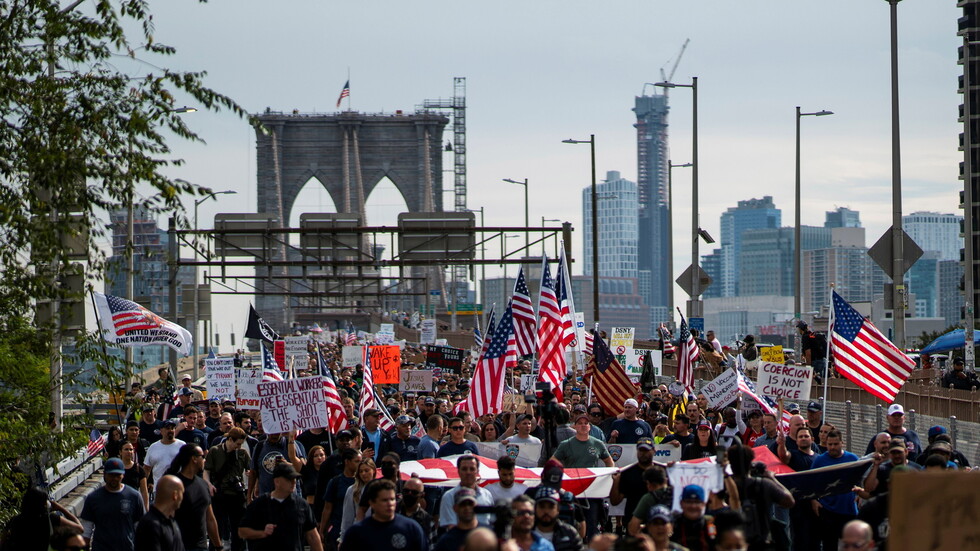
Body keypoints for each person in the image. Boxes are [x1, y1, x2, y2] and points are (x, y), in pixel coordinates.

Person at [239, 462, 323, 551]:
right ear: (277, 481)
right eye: (289, 479)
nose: (293, 482)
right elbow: (242, 531)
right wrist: (262, 533)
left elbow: (312, 536)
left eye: (294, 479)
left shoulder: (302, 505)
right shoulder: (259, 504)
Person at [340, 479, 427, 551]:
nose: (389, 504)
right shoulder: (356, 533)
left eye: (392, 499)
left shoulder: (411, 529)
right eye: (384, 500)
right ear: (372, 503)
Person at [80, 457, 145, 551]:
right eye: (111, 475)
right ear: (105, 474)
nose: (114, 478)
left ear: (123, 475)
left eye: (117, 475)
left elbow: (140, 528)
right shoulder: (93, 498)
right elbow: (86, 529)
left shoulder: (134, 496)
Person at [204, 427, 251, 551]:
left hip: (237, 494)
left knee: (238, 528)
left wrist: (250, 475)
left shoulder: (242, 453)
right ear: (230, 439)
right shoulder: (215, 451)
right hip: (220, 493)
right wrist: (209, 484)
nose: (239, 447)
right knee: (217, 526)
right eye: (237, 444)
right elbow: (206, 471)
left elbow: (250, 469)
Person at [812, 430, 859, 550]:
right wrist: (813, 501)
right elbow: (810, 482)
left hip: (848, 510)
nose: (832, 447)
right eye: (830, 444)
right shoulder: (820, 460)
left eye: (835, 444)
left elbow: (860, 480)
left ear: (842, 443)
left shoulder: (852, 459)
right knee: (829, 545)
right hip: (828, 510)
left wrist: (860, 494)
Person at [168, 444, 221, 551]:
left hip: (200, 547)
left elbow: (210, 518)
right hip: (179, 546)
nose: (204, 460)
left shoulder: (203, 484)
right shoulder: (174, 484)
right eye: (202, 456)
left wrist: (218, 547)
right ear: (194, 459)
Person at [0, 487, 83, 551]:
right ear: (45, 504)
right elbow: (80, 529)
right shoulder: (51, 519)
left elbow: (2, 543)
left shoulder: (14, 520)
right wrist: (61, 509)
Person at [319, 447, 361, 549]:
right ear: (347, 462)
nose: (360, 465)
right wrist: (321, 531)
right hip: (338, 529)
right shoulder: (335, 482)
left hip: (358, 528)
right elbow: (327, 508)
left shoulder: (362, 482)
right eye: (357, 461)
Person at [611, 437, 657, 530]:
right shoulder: (627, 473)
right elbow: (615, 501)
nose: (643, 454)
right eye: (641, 450)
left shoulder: (661, 472)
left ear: (654, 451)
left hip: (656, 522)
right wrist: (616, 482)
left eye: (646, 450)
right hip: (632, 522)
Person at [439, 455, 495, 528]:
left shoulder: (486, 495)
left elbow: (492, 521)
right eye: (464, 469)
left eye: (472, 469)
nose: (468, 472)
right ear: (458, 471)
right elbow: (450, 526)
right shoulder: (449, 496)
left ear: (477, 471)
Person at [134, 474, 185, 551]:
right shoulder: (150, 524)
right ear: (175, 495)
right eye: (182, 493)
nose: (182, 497)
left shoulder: (171, 521)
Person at [249, 431, 306, 499]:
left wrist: (286, 464)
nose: (274, 435)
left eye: (277, 433)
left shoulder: (290, 444)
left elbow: (299, 469)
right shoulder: (260, 446)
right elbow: (253, 472)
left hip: (288, 498)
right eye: (272, 433)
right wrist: (249, 496)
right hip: (266, 497)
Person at [531, 487, 582, 551]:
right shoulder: (526, 533)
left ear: (558, 509)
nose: (546, 511)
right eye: (542, 506)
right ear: (535, 509)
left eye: (551, 507)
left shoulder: (569, 533)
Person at [339, 457, 376, 538]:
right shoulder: (352, 490)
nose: (363, 473)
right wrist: (343, 538)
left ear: (373, 470)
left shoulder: (381, 488)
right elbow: (347, 517)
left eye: (366, 470)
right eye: (361, 471)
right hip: (360, 532)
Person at [669, 485, 714, 551]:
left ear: (704, 504)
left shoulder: (711, 524)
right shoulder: (673, 525)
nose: (693, 506)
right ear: (681, 504)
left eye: (697, 502)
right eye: (688, 502)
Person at [145, 419, 186, 489]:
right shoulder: (153, 447)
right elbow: (147, 469)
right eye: (167, 428)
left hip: (178, 488)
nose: (170, 431)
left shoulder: (182, 445)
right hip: (159, 489)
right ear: (161, 431)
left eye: (172, 428)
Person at [397, 476, 434, 546]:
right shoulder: (391, 512)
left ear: (422, 495)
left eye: (414, 492)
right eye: (406, 491)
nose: (409, 494)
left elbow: (431, 546)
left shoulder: (427, 520)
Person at [120, 441, 149, 511]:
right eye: (126, 449)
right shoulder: (117, 468)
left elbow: (144, 491)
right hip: (119, 503)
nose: (129, 452)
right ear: (120, 452)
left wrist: (146, 509)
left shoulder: (139, 468)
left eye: (131, 449)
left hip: (134, 503)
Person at [301, 445, 328, 517]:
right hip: (311, 508)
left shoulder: (330, 472)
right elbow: (293, 459)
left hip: (326, 508)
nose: (319, 458)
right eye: (315, 456)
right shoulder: (307, 471)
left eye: (321, 455)